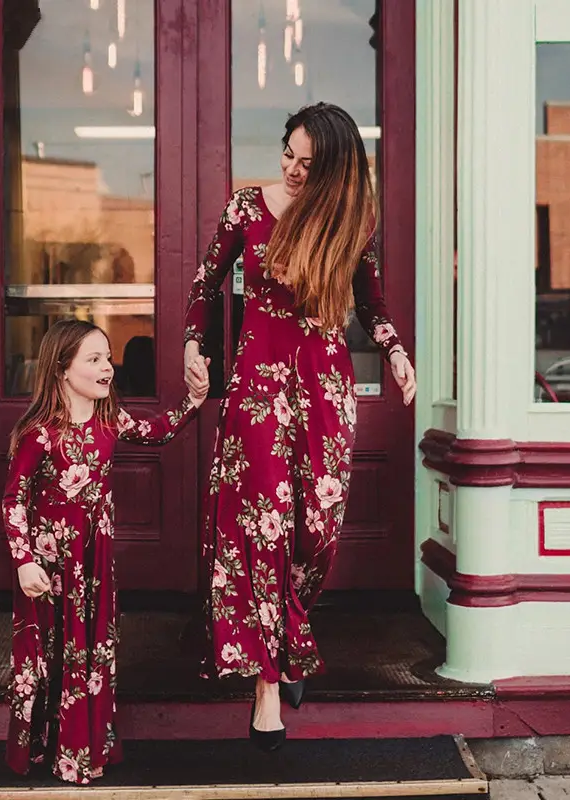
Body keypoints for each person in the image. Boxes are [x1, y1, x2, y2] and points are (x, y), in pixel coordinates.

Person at [183, 102, 416, 752]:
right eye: (286, 153)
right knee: (261, 530)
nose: (290, 169)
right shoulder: (246, 209)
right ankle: (266, 686)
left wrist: (395, 350)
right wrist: (191, 349)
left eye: (306, 164)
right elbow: (205, 286)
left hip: (325, 391)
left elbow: (372, 304)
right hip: (258, 391)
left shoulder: (350, 221)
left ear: (334, 171)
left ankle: (288, 631)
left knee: (315, 531)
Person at [3, 319, 207, 783]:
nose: (107, 368)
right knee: (47, 656)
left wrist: (194, 400)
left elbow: (157, 432)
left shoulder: (109, 421)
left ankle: (82, 751)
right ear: (62, 369)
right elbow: (12, 498)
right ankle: (40, 752)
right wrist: (24, 560)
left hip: (93, 562)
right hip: (48, 564)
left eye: (108, 357)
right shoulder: (39, 434)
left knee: (90, 651)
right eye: (93, 359)